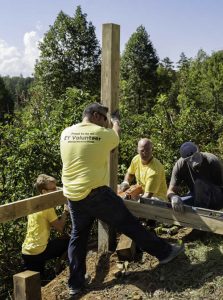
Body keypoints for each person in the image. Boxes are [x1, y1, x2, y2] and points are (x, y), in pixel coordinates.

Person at [60, 102, 184, 296]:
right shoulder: (101, 133)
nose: (105, 123)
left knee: (78, 237)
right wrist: (116, 121)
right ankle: (165, 252)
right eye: (104, 118)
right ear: (95, 115)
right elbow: (115, 134)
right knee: (129, 224)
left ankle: (75, 284)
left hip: (73, 196)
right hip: (96, 194)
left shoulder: (66, 133)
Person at [22, 174, 70, 277]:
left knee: (37, 283)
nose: (56, 191)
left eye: (56, 187)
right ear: (44, 192)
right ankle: (70, 270)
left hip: (26, 251)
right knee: (69, 241)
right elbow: (60, 228)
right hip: (39, 251)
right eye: (53, 189)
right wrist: (65, 211)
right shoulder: (47, 207)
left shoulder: (34, 203)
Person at [167, 141, 223, 213]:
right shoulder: (180, 165)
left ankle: (201, 216)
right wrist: (173, 197)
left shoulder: (212, 161)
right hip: (196, 197)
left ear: (198, 150)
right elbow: (170, 191)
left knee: (199, 184)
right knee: (175, 205)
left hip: (216, 198)